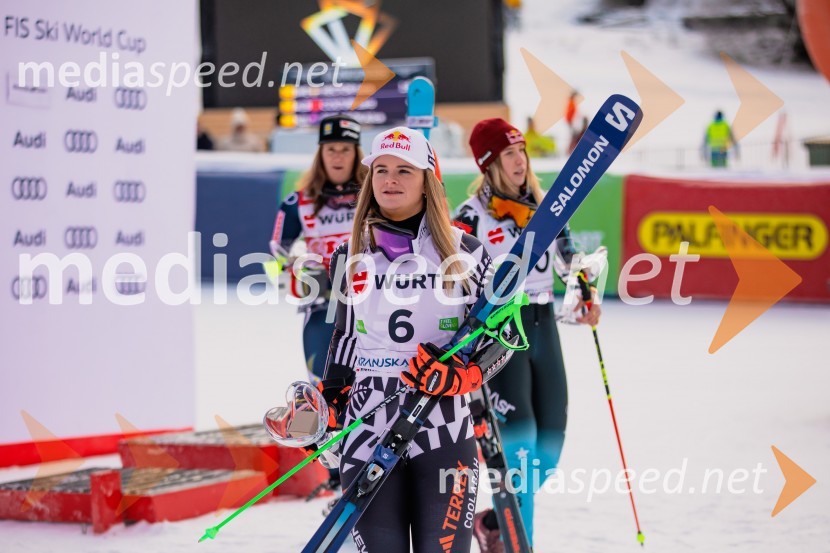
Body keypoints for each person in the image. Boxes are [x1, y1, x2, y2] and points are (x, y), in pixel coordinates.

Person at [315, 127, 517, 552]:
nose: (390, 179)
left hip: (442, 423)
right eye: (382, 169)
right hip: (367, 422)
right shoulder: (349, 255)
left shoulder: (467, 252)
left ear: (427, 181)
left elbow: (505, 334)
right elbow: (344, 336)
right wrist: (331, 399)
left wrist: (465, 376)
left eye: (404, 171)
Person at [455, 118, 601, 551]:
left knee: (548, 453)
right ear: (489, 164)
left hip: (544, 326)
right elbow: (456, 281)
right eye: (508, 155)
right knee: (519, 455)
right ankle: (521, 544)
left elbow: (569, 265)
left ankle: (497, 524)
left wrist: (586, 291)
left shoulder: (547, 205)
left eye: (522, 153)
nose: (520, 162)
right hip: (503, 333)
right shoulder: (469, 217)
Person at [269, 114, 367, 386]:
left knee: (370, 381)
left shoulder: (373, 193)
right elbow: (276, 254)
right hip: (324, 305)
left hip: (371, 301)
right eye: (330, 149)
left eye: (345, 150)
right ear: (320, 154)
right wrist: (297, 267)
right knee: (322, 384)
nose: (338, 157)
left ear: (355, 153)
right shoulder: (299, 201)